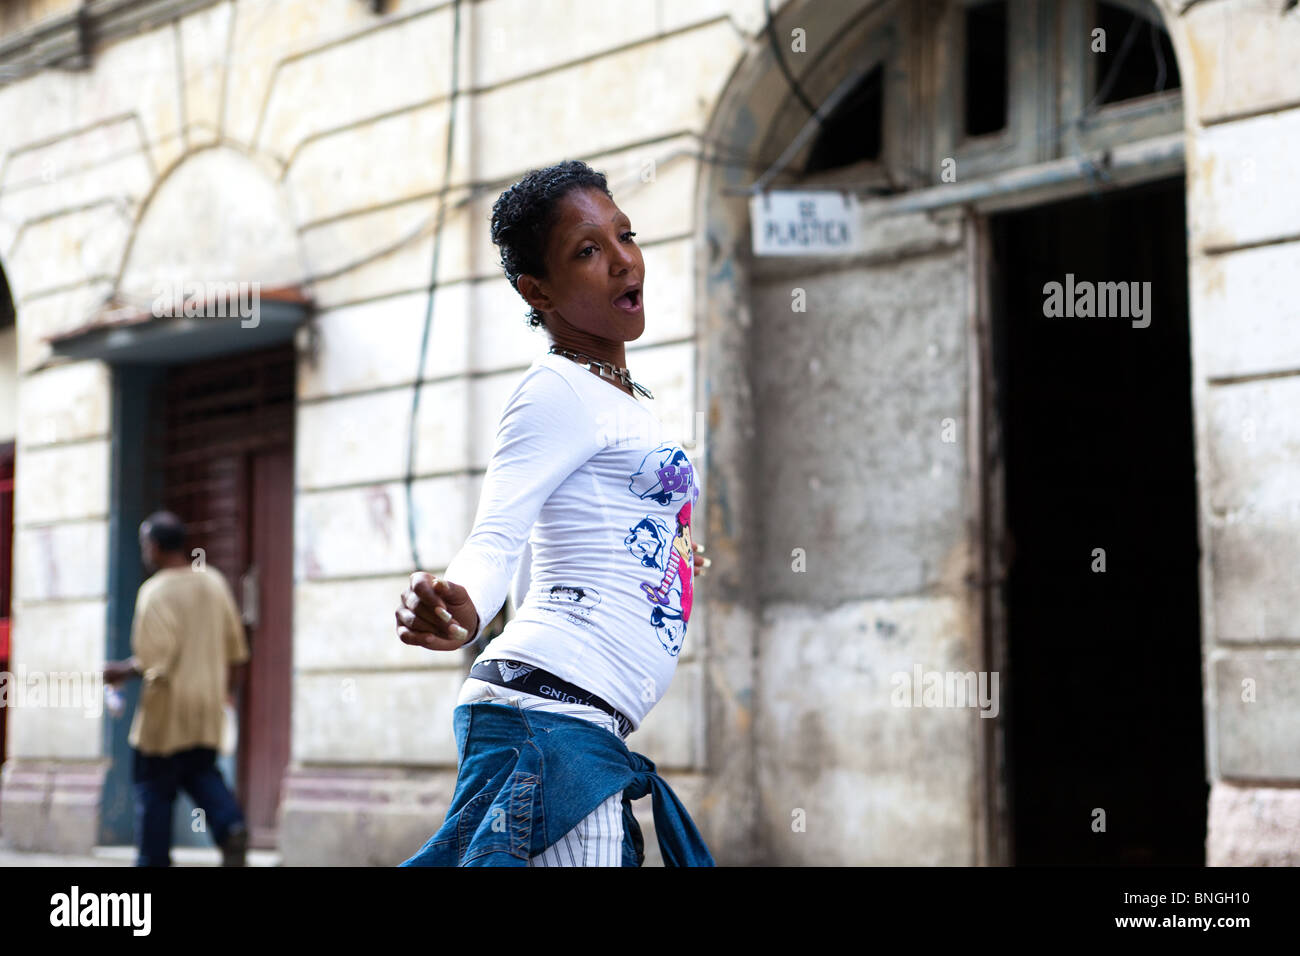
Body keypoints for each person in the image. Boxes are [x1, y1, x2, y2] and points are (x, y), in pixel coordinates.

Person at [396, 159, 714, 866]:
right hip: (551, 715)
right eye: (587, 251)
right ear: (536, 290)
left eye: (624, 236)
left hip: (575, 717)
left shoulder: (624, 399)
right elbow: (499, 535)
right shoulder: (554, 392)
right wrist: (462, 608)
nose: (623, 261)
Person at [103, 510, 251, 867]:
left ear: (153, 546)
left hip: (165, 714)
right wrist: (224, 697)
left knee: (153, 790)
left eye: (144, 544)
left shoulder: (153, 593)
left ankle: (153, 861)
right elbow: (237, 652)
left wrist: (120, 671)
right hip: (205, 709)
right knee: (201, 773)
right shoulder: (213, 582)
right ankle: (230, 826)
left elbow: (154, 660)